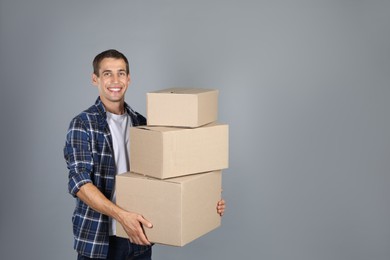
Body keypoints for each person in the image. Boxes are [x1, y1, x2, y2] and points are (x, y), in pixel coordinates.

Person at [64, 49, 226, 260]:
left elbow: (169, 174)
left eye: (121, 73)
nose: (115, 80)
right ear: (95, 79)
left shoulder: (142, 124)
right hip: (100, 242)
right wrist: (122, 217)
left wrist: (205, 197)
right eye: (107, 73)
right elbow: (80, 183)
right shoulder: (82, 124)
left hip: (140, 238)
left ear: (129, 79)